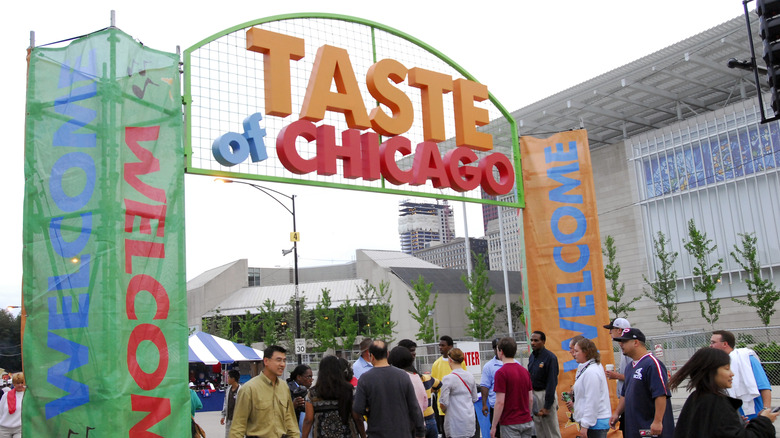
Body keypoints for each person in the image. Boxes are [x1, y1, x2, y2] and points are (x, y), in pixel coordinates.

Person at [669, 347, 777, 437]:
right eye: (726, 368)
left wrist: (735, 422)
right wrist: (764, 421)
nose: (732, 374)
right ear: (711, 371)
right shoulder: (717, 402)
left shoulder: (697, 398)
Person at [352, 340, 425, 438]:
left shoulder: (365, 379)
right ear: (387, 353)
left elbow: (358, 410)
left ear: (371, 356)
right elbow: (414, 407)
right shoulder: (403, 376)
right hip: (402, 433)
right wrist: (420, 431)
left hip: (377, 433)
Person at [609, 328, 674, 438]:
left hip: (649, 428)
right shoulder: (630, 367)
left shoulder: (652, 364)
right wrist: (617, 413)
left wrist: (658, 421)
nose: (620, 344)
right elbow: (625, 394)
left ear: (636, 342)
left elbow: (661, 394)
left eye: (624, 341)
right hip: (634, 428)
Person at [230, 345, 300, 438]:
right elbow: (238, 427)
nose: (282, 364)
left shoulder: (284, 387)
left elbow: (290, 421)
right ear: (266, 361)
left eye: (284, 360)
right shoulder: (249, 389)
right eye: (278, 360)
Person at [711, 330, 772, 419]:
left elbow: (764, 386)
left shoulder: (747, 359)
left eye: (713, 342)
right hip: (732, 416)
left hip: (754, 415)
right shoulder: (716, 364)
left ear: (725, 344)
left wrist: (766, 410)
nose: (710, 345)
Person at [302, 355, 365, 438]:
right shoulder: (349, 390)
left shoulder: (312, 393)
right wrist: (363, 435)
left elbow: (308, 420)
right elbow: (357, 417)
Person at [566, 338, 611, 438]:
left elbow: (592, 400)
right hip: (591, 422)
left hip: (595, 424)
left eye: (577, 351)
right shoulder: (585, 367)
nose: (574, 354)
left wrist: (585, 425)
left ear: (586, 352)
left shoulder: (591, 372)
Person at [491, 337, 533, 438]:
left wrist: (493, 426)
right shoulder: (524, 371)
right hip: (526, 420)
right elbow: (530, 399)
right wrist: (528, 415)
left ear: (501, 352)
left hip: (510, 422)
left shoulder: (501, 373)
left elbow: (500, 402)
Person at [399, 338, 440, 438]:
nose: (414, 354)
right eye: (411, 350)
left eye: (414, 350)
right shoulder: (405, 376)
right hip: (418, 422)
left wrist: (426, 391)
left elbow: (438, 384)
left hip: (426, 420)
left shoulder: (418, 376)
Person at [527, 331, 562, 438]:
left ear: (543, 341)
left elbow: (552, 382)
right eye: (532, 340)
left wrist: (547, 405)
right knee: (539, 430)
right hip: (535, 395)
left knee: (551, 430)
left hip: (545, 394)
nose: (533, 343)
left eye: (536, 340)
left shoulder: (550, 358)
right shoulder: (532, 356)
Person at [431, 335, 466, 438]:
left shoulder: (460, 363)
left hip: (458, 406)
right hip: (443, 408)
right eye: (439, 345)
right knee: (446, 434)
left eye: (443, 345)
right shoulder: (436, 364)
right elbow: (434, 385)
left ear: (450, 346)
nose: (440, 347)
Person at [440, 348, 479, 438]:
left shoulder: (448, 379)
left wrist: (444, 410)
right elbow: (474, 398)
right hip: (469, 420)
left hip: (454, 422)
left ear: (450, 360)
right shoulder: (470, 376)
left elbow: (444, 403)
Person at [602, 318, 630, 433]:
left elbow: (635, 378)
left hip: (630, 401)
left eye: (611, 329)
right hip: (626, 401)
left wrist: (616, 375)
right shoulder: (624, 350)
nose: (609, 333)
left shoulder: (629, 351)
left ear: (619, 330)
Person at [389, 346, 428, 421]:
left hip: (402, 426)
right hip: (419, 422)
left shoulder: (394, 379)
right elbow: (425, 402)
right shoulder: (416, 377)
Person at [0, 373, 24, 438]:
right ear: (14, 384)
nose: (20, 385)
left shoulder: (26, 396)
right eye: (17, 383)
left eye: (22, 383)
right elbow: (1, 410)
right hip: (4, 427)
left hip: (19, 428)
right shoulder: (6, 395)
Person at [221, 369, 242, 438]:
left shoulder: (242, 391)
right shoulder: (228, 390)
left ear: (233, 379)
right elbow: (226, 403)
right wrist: (223, 416)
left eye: (228, 377)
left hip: (238, 421)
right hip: (229, 420)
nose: (227, 379)